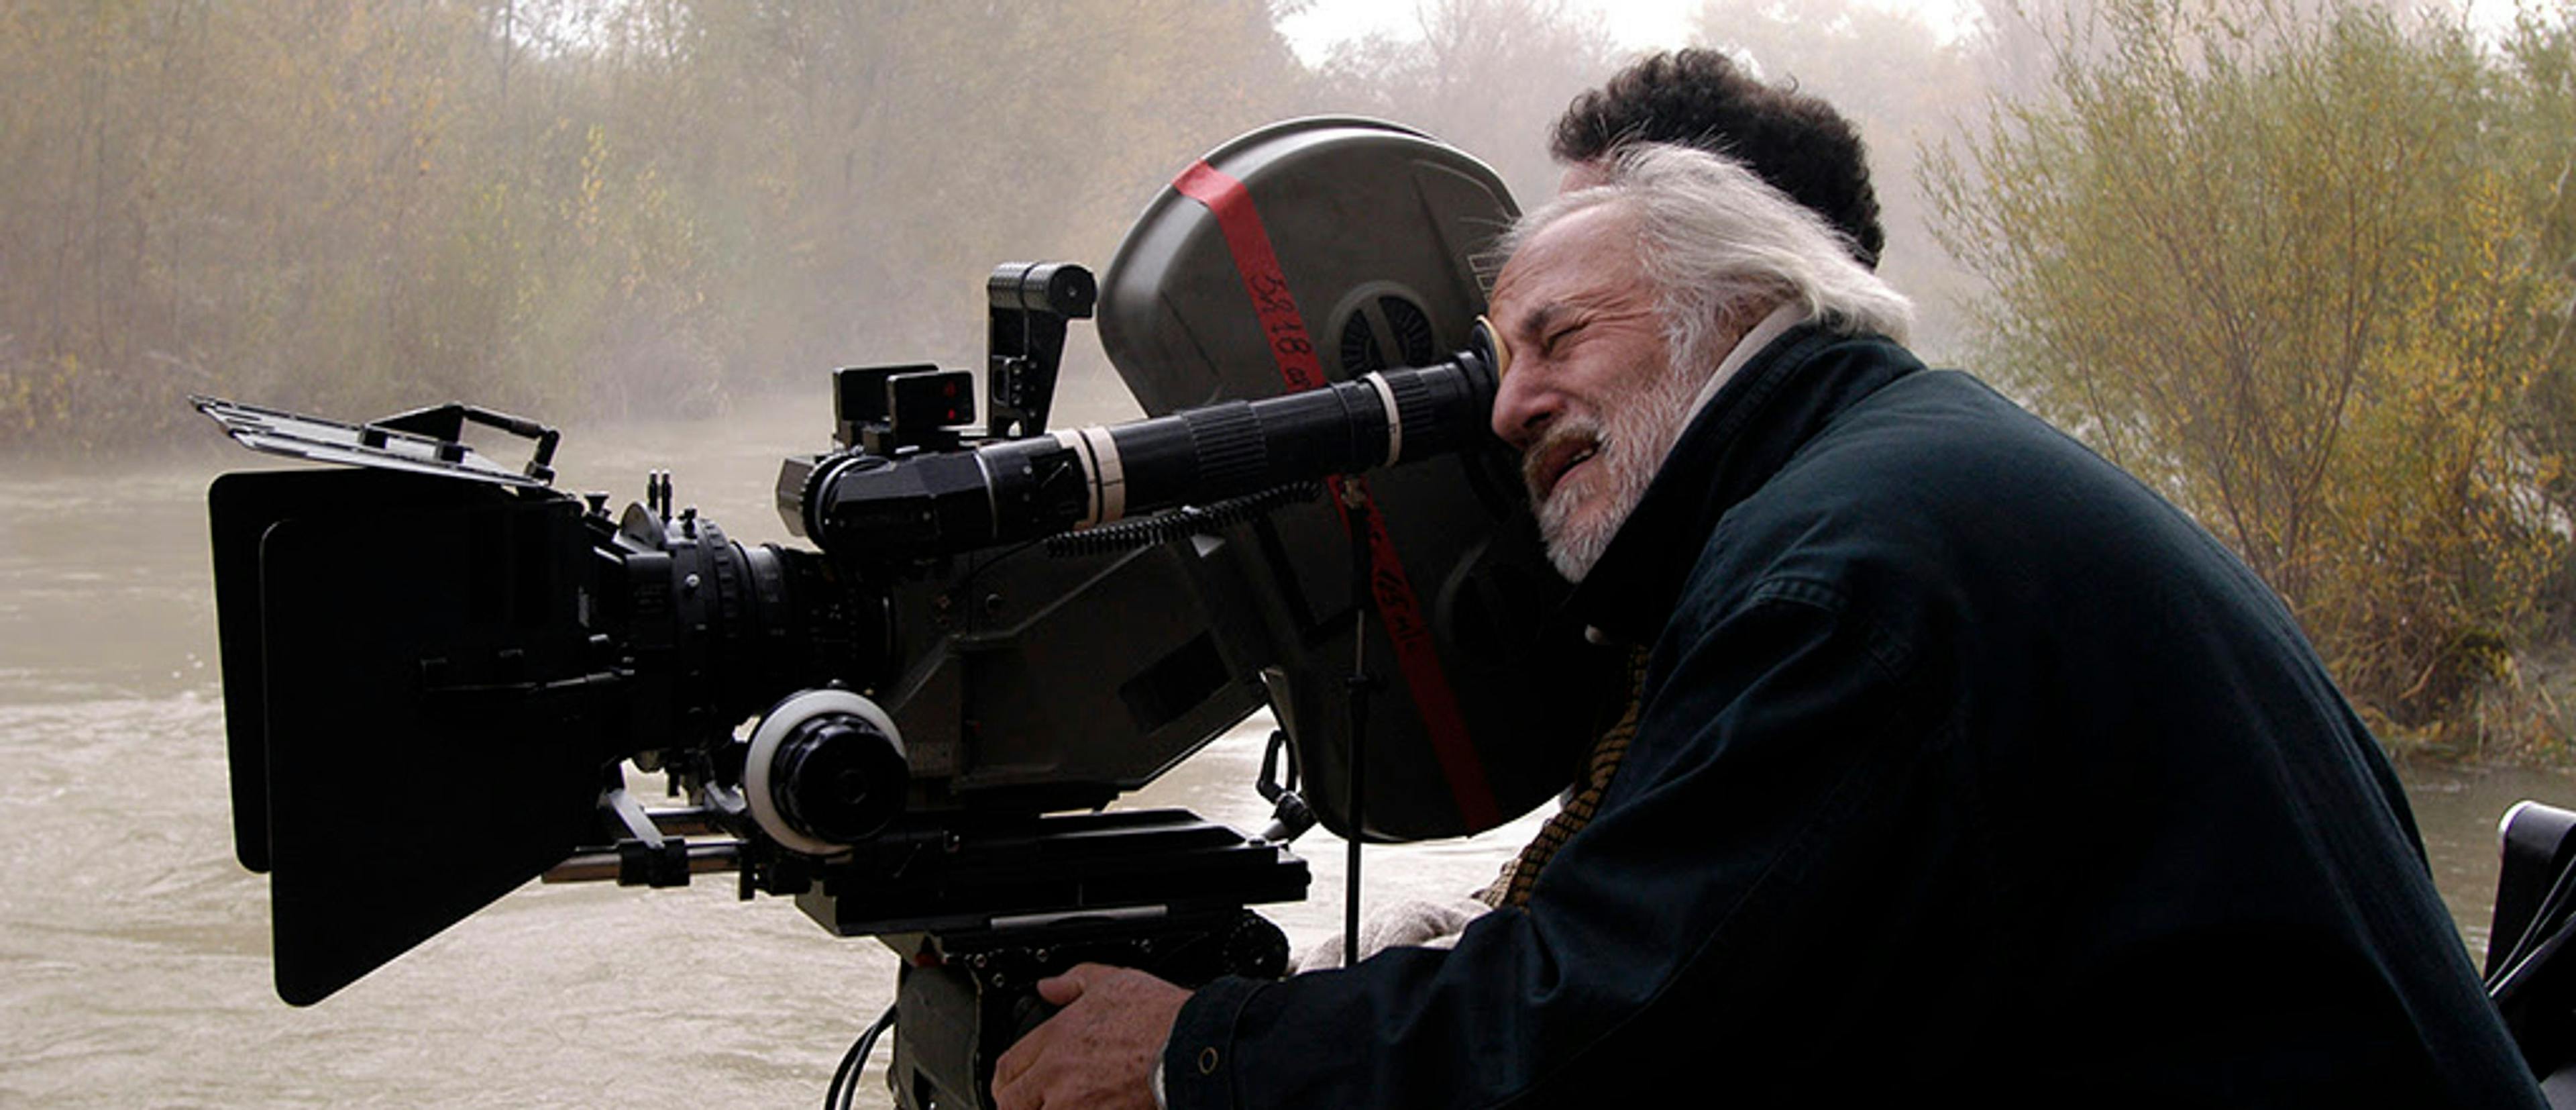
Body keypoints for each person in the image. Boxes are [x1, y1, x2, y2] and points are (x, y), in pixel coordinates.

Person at [991, 144, 2546, 1108]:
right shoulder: (1903, 471)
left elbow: (1605, 1025)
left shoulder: (1834, 573)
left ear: (1740, 309)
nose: (1508, 402)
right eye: (1496, 355)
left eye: (1556, 338)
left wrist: (1210, 1056)